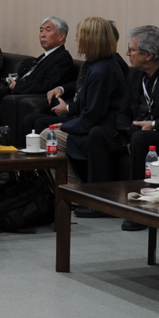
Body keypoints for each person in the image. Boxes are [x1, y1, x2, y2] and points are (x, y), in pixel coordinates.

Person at [88, 25, 159, 208]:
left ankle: (136, 205)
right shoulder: (135, 74)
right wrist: (124, 130)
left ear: (148, 55)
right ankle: (99, 201)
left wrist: (155, 124)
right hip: (134, 131)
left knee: (140, 138)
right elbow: (124, 109)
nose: (127, 53)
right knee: (98, 134)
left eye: (131, 49)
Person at [57, 18, 128, 193]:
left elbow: (93, 115)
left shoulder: (101, 71)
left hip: (103, 128)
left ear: (91, 39)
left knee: (48, 137)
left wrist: (66, 126)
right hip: (95, 124)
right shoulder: (101, 65)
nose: (76, 39)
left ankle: (75, 191)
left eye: (79, 36)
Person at [0, 15, 80, 137]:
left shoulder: (62, 58)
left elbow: (47, 85)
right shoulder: (44, 56)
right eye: (41, 30)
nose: (42, 35)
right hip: (12, 100)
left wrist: (18, 86)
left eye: (48, 30)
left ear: (61, 36)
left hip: (22, 102)